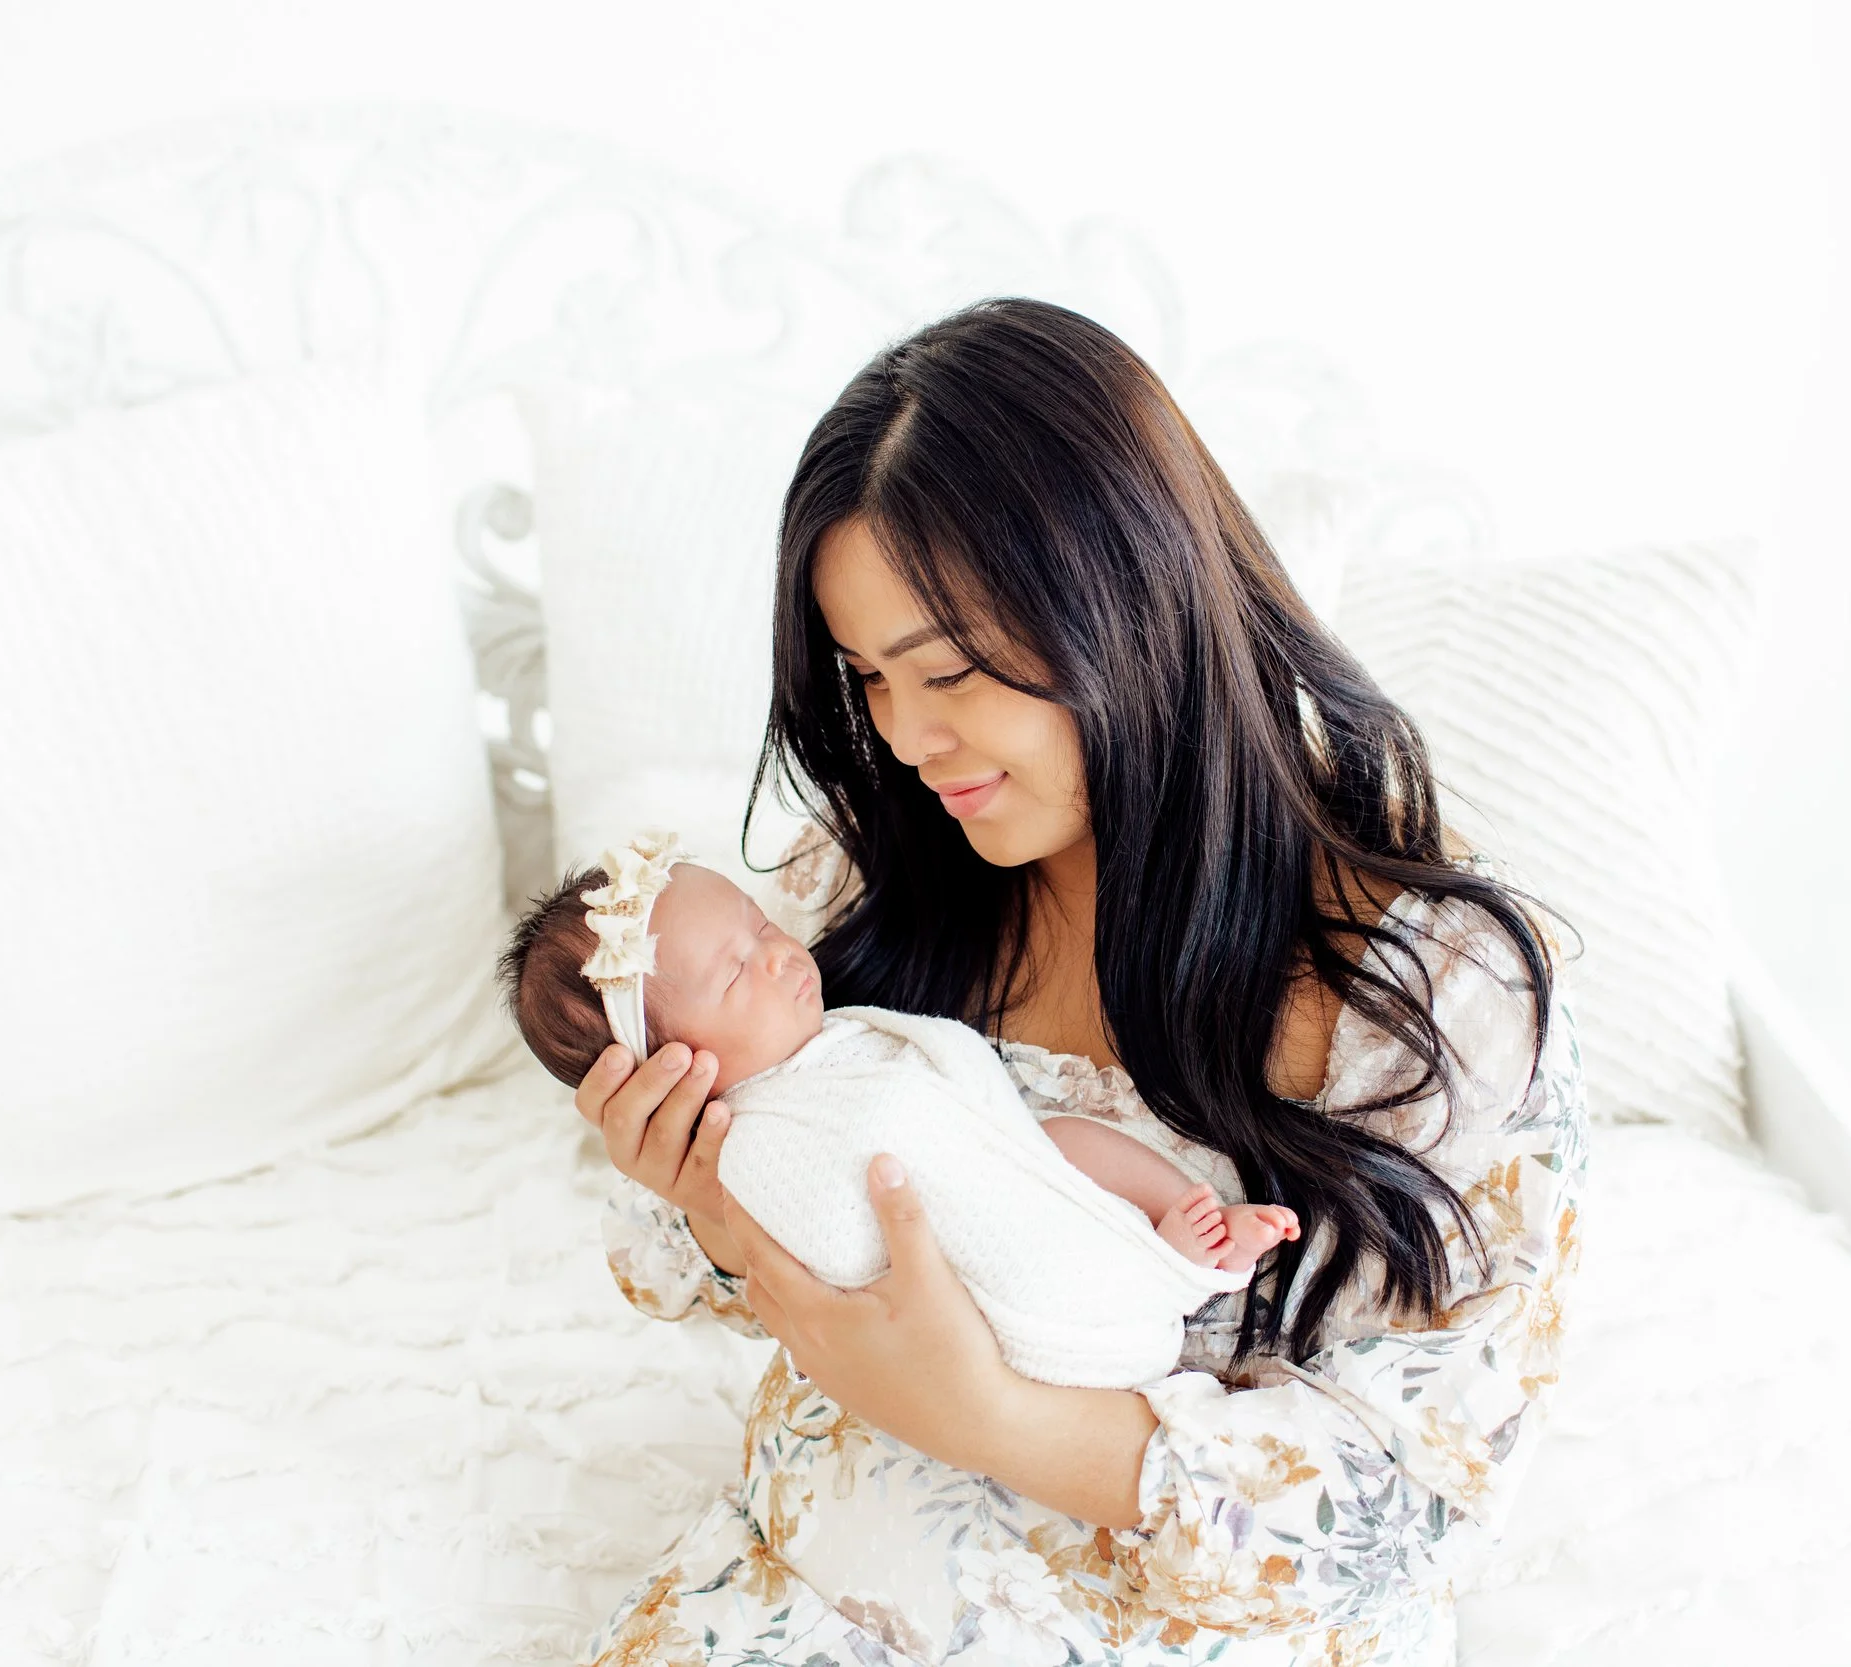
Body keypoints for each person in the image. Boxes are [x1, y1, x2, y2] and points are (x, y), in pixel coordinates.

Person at [575, 297, 1589, 1667]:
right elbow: (703, 1260)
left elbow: (1413, 1492)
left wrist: (984, 1410)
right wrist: (698, 1185)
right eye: (867, 675)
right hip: (804, 1593)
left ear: (1132, 601)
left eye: (950, 672)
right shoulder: (870, 877)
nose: (907, 737)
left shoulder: (1433, 994)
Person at [498, 836, 1300, 1389]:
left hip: (1014, 1183)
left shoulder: (833, 1043)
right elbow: (832, 1250)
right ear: (669, 1068)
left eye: (764, 924)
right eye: (738, 972)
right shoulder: (753, 1140)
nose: (780, 952)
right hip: (959, 1307)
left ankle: (1178, 1251)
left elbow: (963, 1095)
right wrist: (711, 1201)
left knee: (1061, 1141)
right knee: (1027, 1234)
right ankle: (1154, 1273)